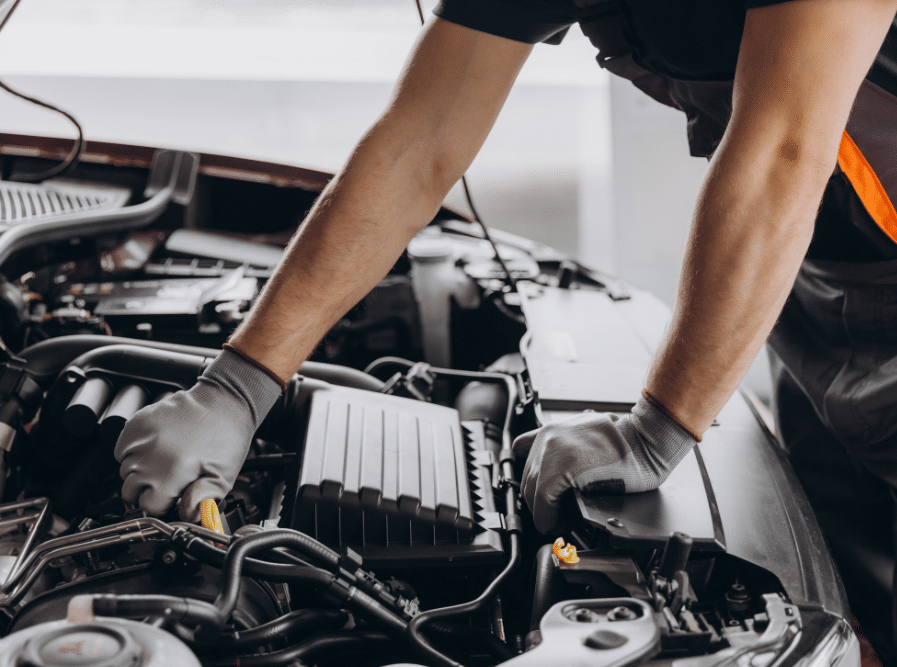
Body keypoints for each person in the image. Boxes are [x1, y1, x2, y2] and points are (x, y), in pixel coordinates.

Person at [116, 0, 897, 655]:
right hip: (817, 270)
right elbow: (423, 137)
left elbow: (781, 153)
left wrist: (655, 431)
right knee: (859, 577)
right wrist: (236, 388)